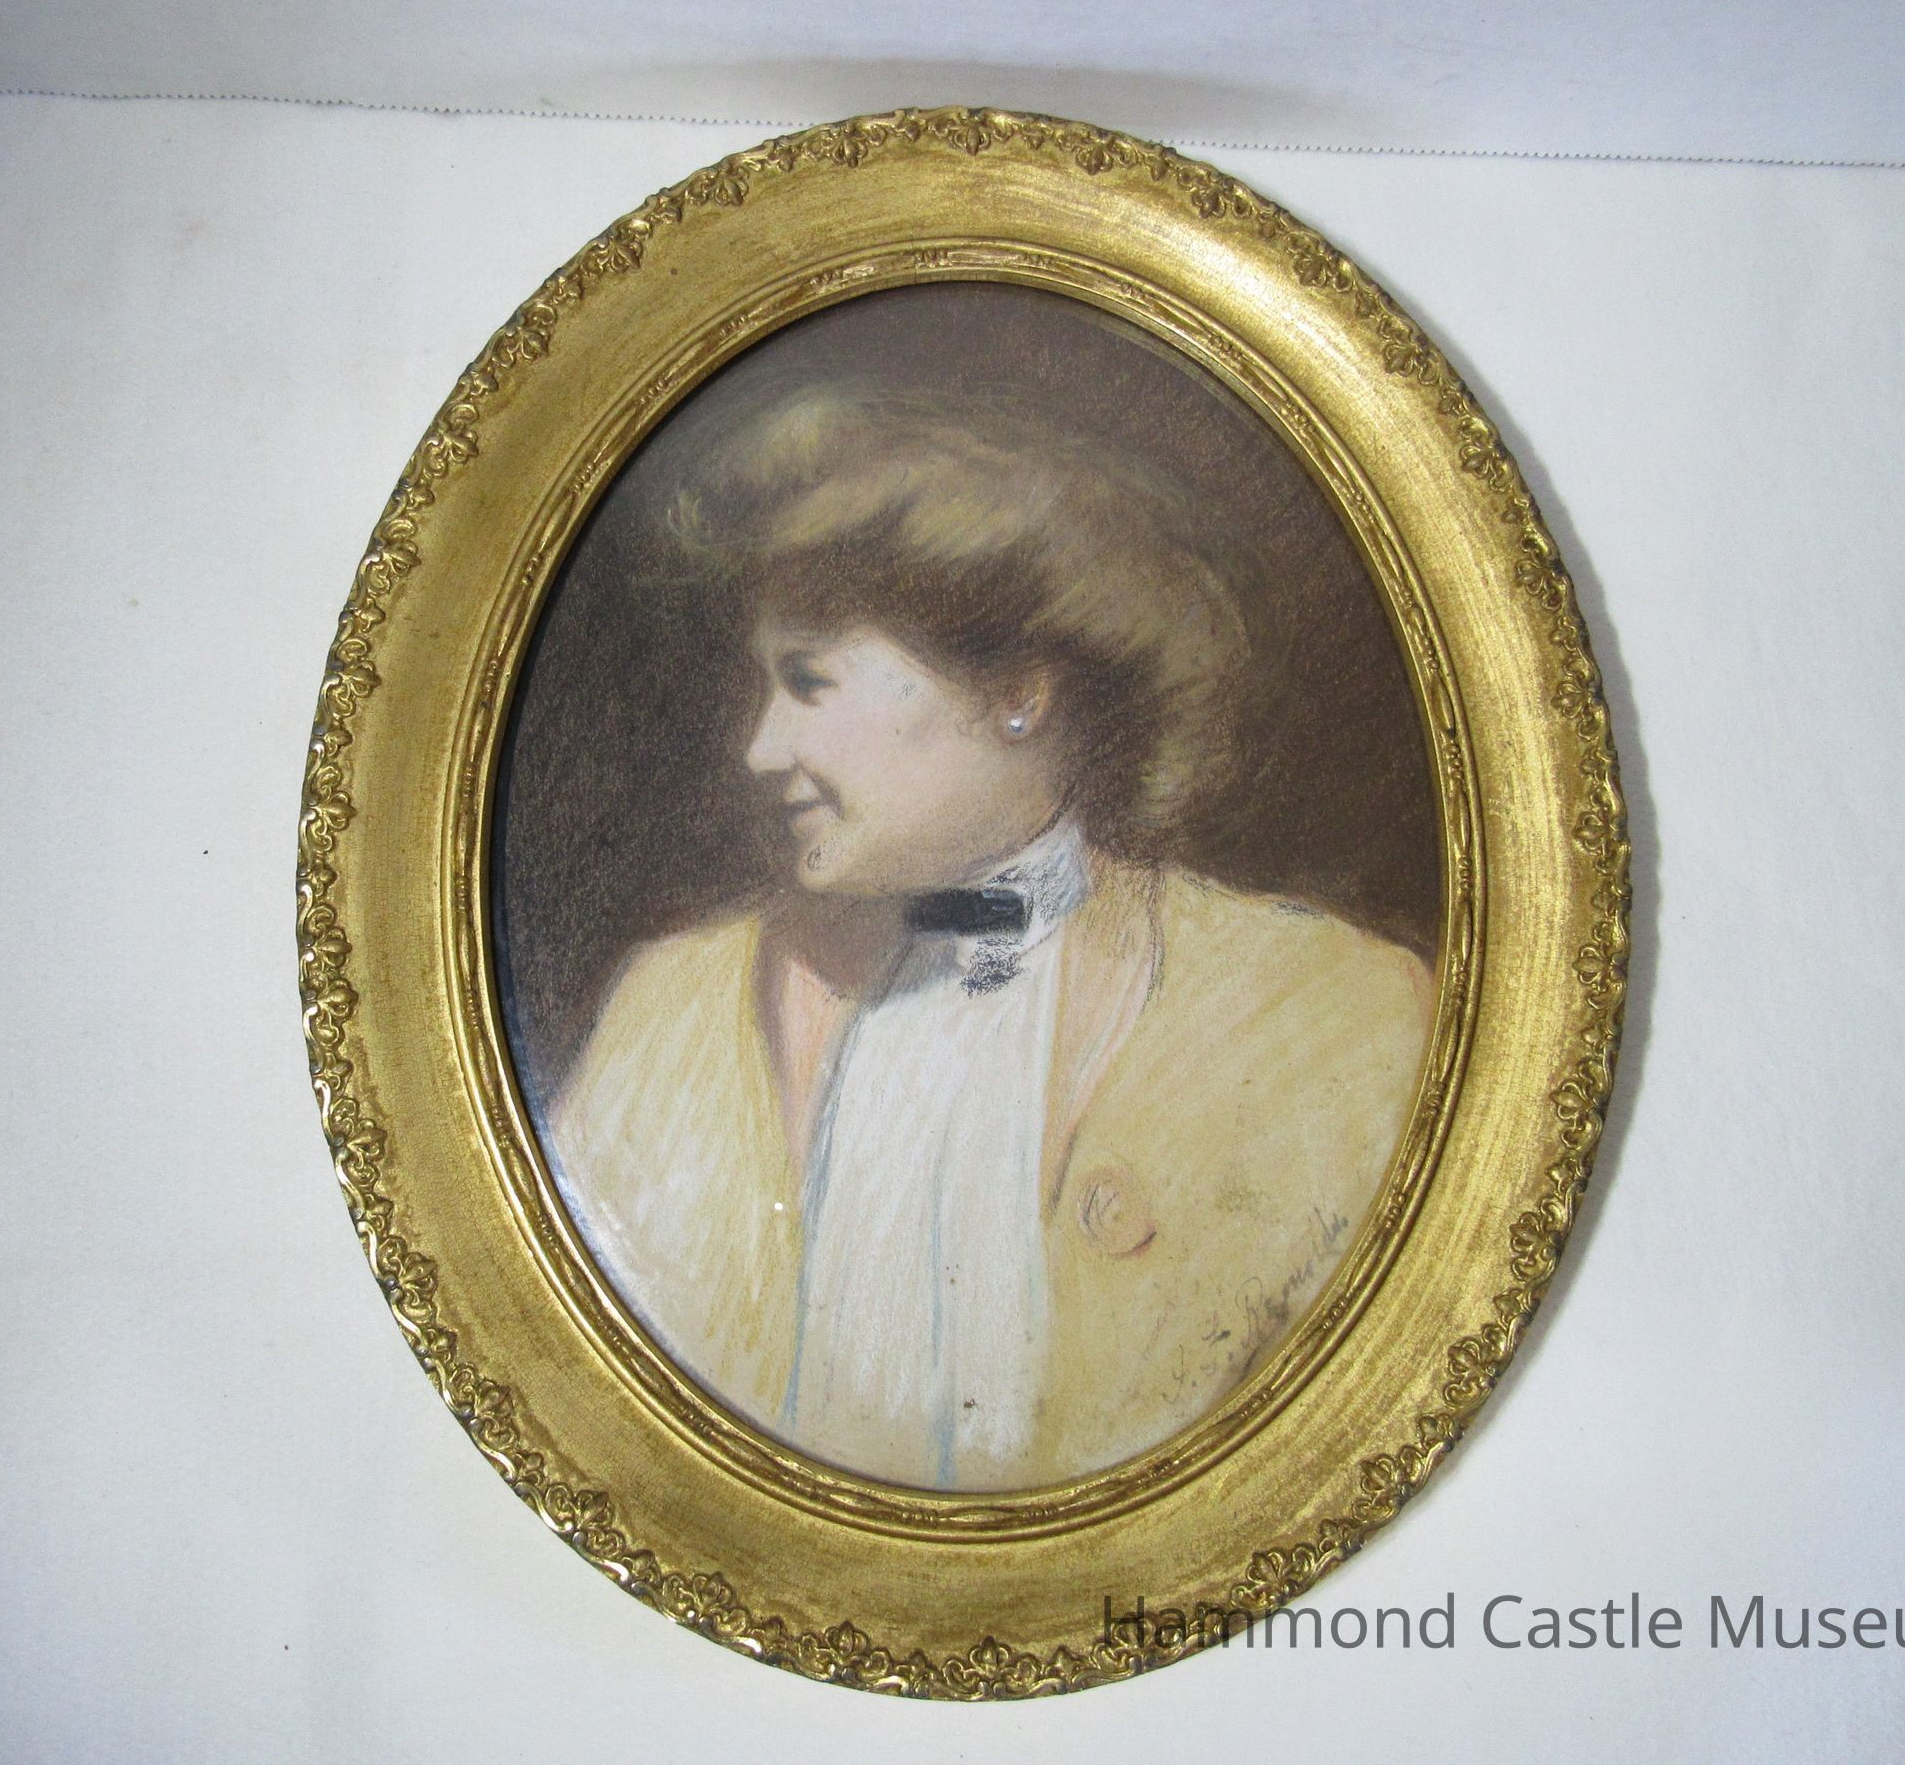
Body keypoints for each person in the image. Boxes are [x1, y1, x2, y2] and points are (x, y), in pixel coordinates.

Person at [543, 380, 1433, 1492]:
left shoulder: (1326, 1010)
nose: (761, 748)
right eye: (765, 689)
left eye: (810, 682)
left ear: (1017, 693)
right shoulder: (671, 1009)